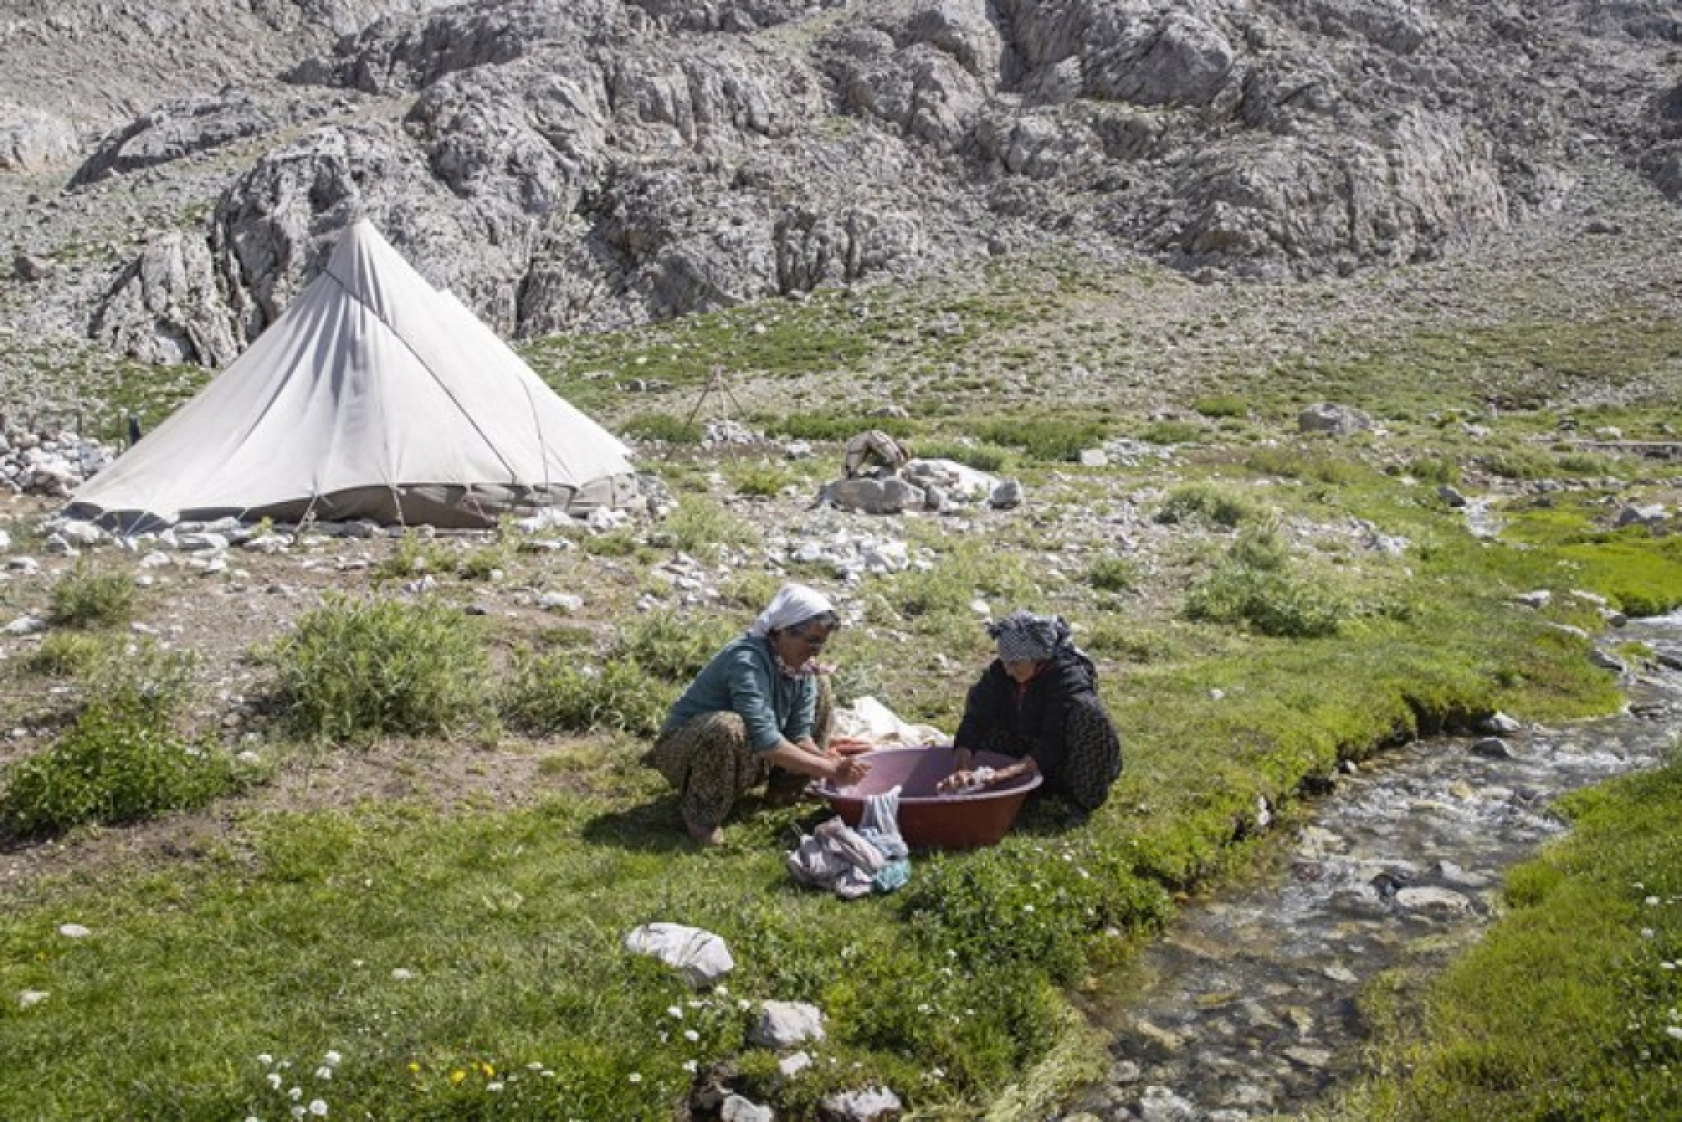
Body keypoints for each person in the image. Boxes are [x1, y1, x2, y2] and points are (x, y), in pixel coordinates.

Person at [648, 583, 871, 846]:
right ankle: (701, 817)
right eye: (811, 641)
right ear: (784, 631)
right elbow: (765, 740)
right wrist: (829, 769)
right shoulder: (747, 660)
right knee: (726, 726)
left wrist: (831, 765)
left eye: (821, 643)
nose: (816, 650)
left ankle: (786, 789)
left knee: (821, 680)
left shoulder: (800, 669)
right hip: (688, 751)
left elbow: (799, 736)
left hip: (750, 751)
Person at [938, 610, 1122, 815]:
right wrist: (962, 769)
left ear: (1036, 658)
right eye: (1005, 662)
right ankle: (1021, 792)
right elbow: (975, 720)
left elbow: (1052, 742)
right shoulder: (999, 674)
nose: (1008, 670)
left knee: (1088, 712)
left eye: (1015, 663)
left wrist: (1005, 774)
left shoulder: (1066, 679)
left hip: (1062, 760)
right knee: (979, 700)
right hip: (1022, 747)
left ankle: (1078, 801)